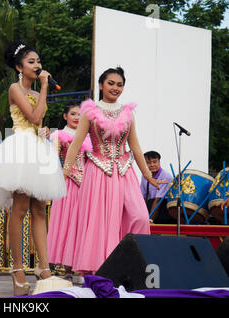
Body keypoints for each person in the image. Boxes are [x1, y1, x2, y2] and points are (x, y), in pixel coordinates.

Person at [0, 40, 66, 295]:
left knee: (40, 209)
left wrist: (44, 129)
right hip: (21, 148)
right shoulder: (15, 88)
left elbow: (38, 121)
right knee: (21, 207)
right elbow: (33, 117)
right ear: (19, 67)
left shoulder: (38, 93)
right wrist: (45, 88)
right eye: (31, 62)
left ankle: (44, 269)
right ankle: (17, 270)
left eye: (38, 61)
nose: (37, 65)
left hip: (38, 146)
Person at [62, 67, 167, 274]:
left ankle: (132, 264)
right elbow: (76, 144)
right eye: (111, 83)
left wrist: (147, 175)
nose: (115, 88)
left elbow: (135, 146)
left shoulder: (127, 113)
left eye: (119, 84)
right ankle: (102, 270)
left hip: (124, 172)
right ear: (101, 85)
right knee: (102, 225)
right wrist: (64, 172)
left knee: (139, 216)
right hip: (98, 173)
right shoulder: (90, 112)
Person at [46, 103, 92, 282]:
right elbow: (52, 160)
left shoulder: (88, 137)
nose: (77, 117)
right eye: (73, 114)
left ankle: (80, 267)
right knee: (66, 225)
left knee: (81, 225)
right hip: (67, 185)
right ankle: (66, 268)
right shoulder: (58, 135)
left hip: (86, 186)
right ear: (65, 116)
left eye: (80, 114)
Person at [140, 151, 175, 224]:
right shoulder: (145, 176)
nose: (152, 165)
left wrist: (150, 220)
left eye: (154, 162)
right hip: (151, 206)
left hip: (163, 209)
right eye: (148, 163)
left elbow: (158, 200)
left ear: (159, 162)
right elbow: (143, 198)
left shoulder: (165, 177)